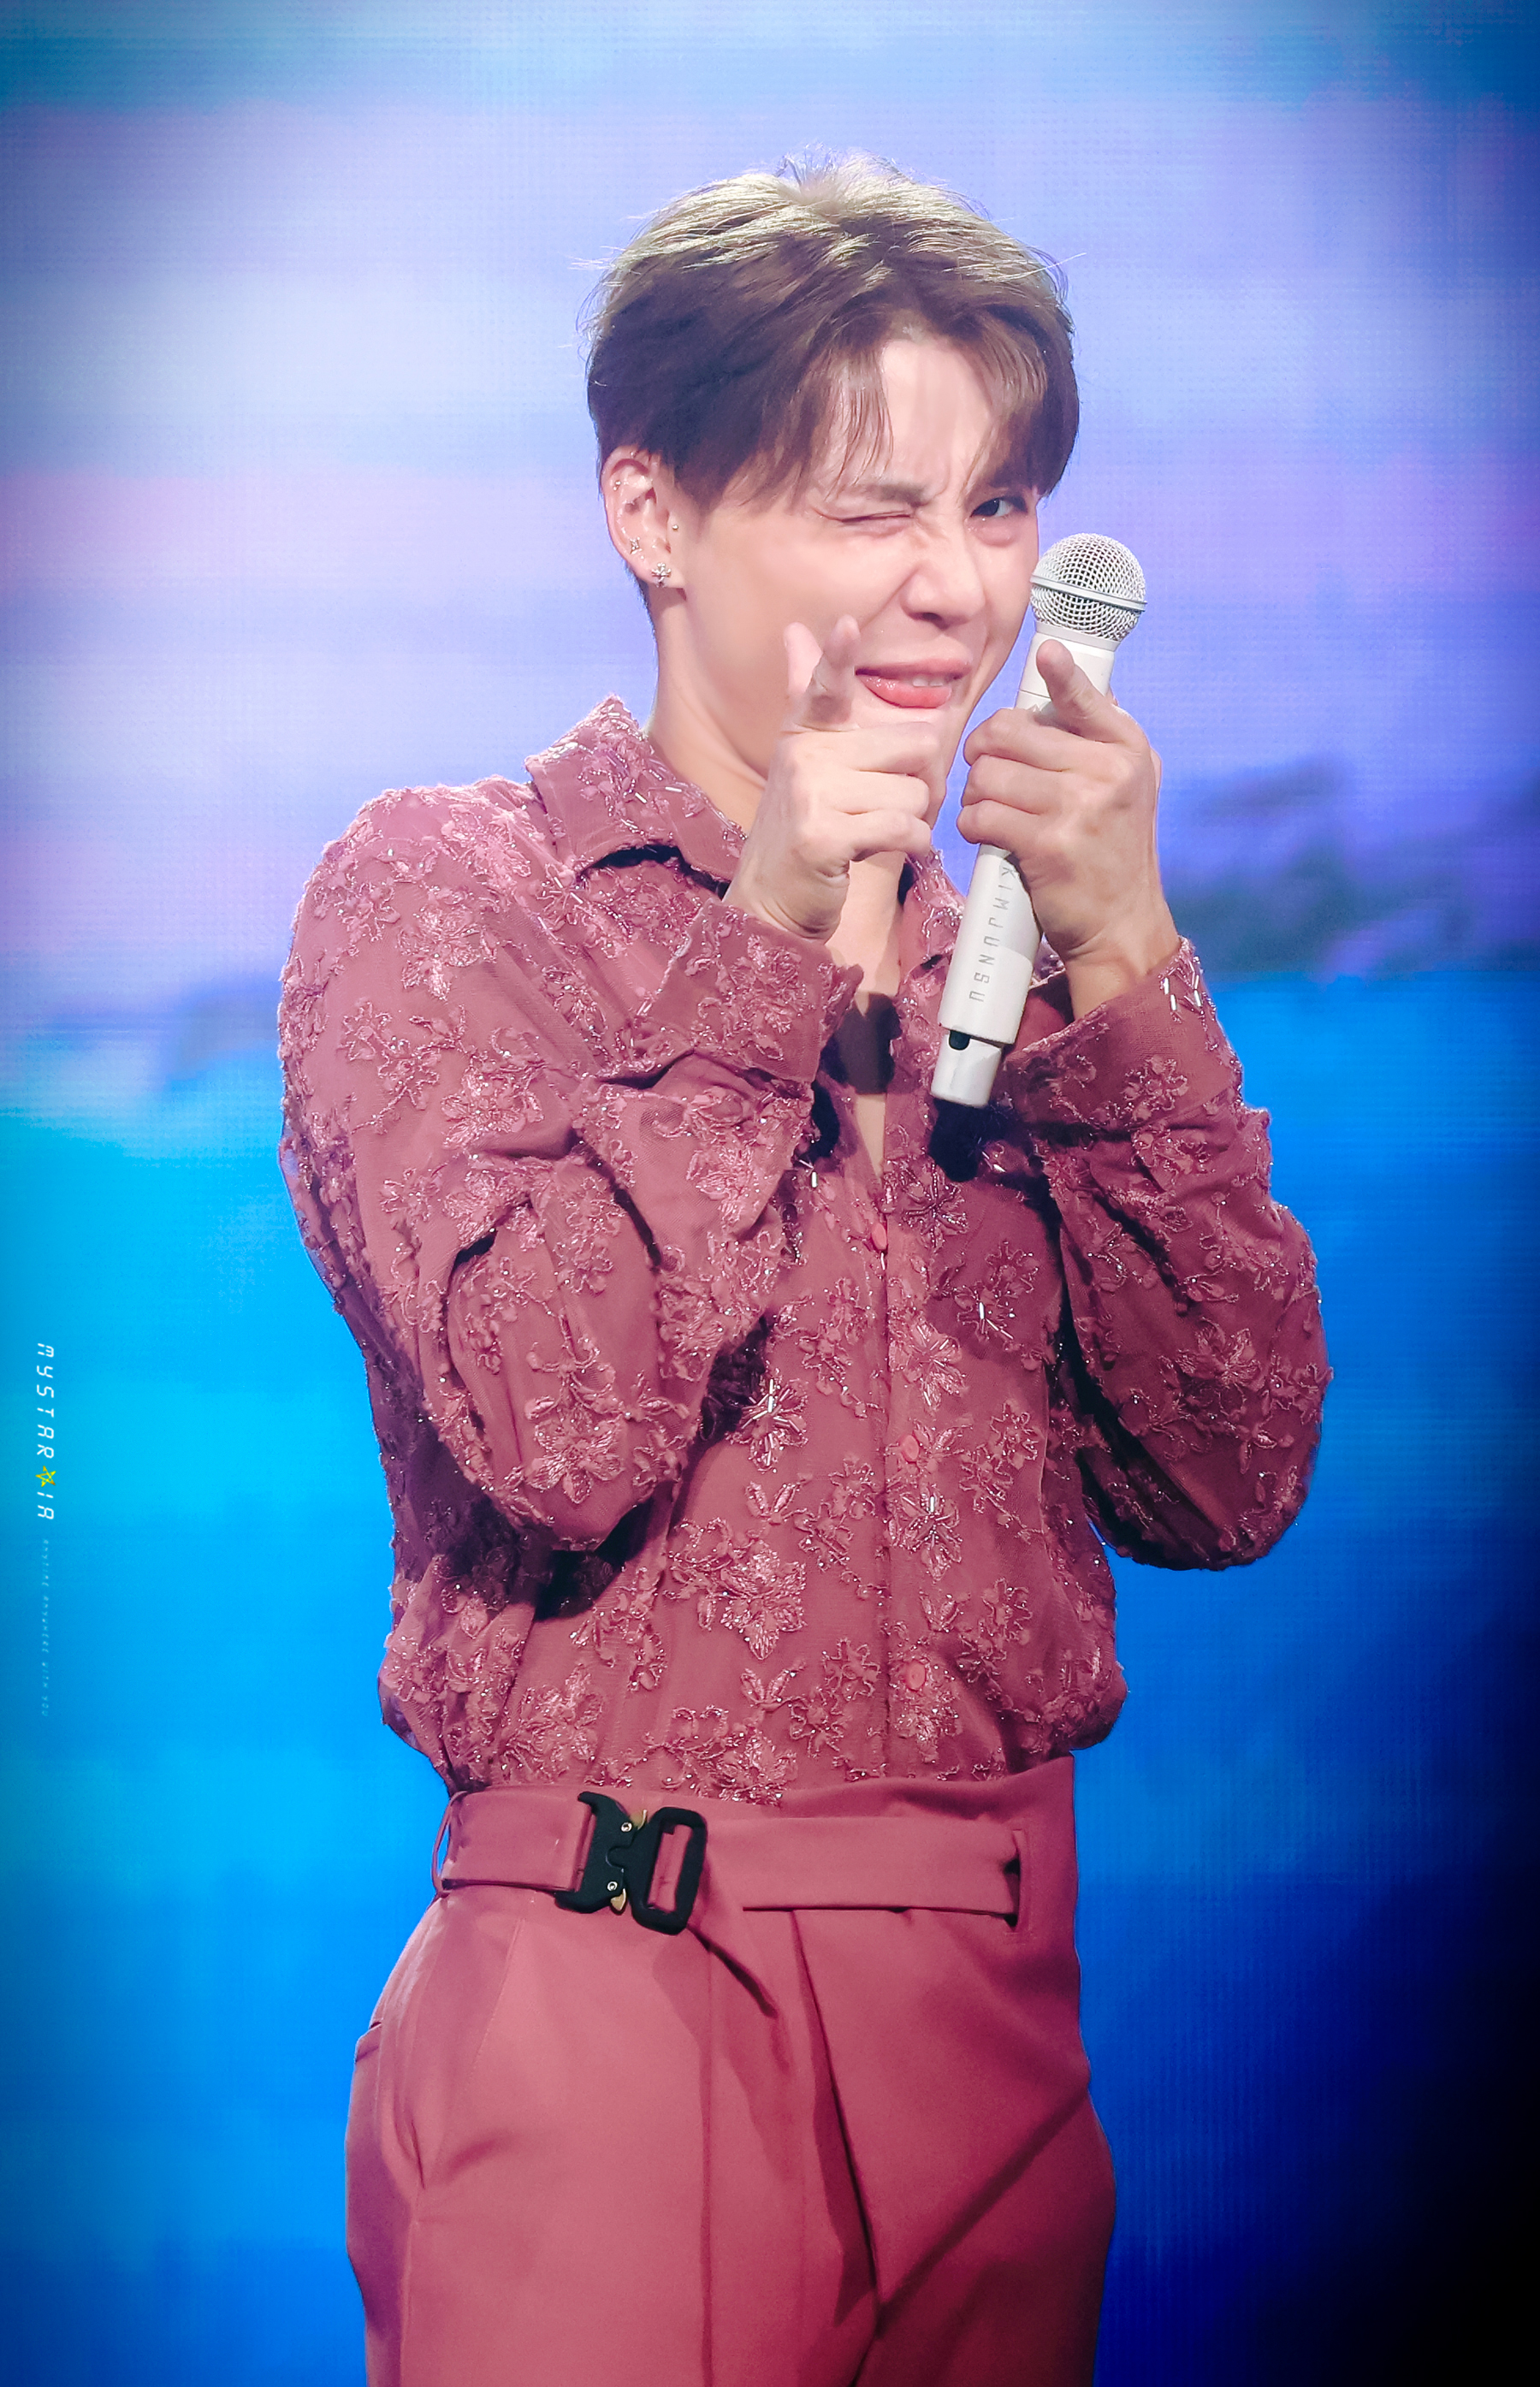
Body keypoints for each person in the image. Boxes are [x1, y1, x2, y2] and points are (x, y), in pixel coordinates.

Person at [280, 156, 1327, 2387]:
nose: (957, 584)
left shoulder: (1022, 960)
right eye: (874, 510)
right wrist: (768, 942)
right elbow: (553, 1424)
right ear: (649, 512)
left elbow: (1229, 1478)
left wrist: (1134, 961)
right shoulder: (458, 893)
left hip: (1002, 2028)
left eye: (1000, 506)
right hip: (618, 1998)